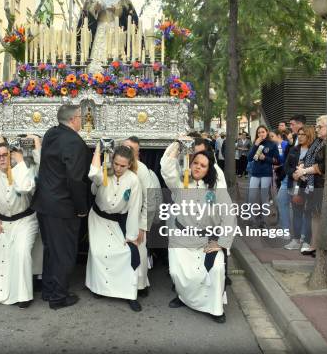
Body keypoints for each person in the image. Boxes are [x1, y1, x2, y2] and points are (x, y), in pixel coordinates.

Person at [161, 146, 236, 323]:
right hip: (181, 238)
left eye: (203, 165)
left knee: (216, 270)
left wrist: (222, 242)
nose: (198, 167)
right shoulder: (180, 184)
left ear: (209, 169)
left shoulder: (216, 188)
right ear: (190, 163)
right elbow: (167, 169)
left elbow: (229, 215)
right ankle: (183, 298)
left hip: (207, 240)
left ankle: (215, 308)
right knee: (177, 273)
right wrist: (178, 145)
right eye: (195, 163)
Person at [32, 104, 91, 310]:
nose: (82, 120)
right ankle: (58, 297)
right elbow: (75, 180)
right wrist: (82, 207)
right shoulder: (75, 142)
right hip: (62, 206)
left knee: (51, 250)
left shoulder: (50, 134)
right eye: (81, 117)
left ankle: (49, 290)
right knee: (64, 252)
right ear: (74, 118)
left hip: (44, 203)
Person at [0, 142, 37, 308]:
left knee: (21, 252)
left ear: (11, 156)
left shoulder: (24, 170)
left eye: (5, 155)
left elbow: (25, 187)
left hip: (25, 221)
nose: (2, 159)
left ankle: (23, 295)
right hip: (2, 221)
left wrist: (19, 163)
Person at [86, 144, 143, 312]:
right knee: (98, 253)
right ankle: (99, 288)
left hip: (119, 221)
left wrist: (131, 235)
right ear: (112, 160)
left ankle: (129, 293)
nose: (118, 168)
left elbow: (134, 208)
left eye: (123, 165)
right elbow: (93, 174)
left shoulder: (133, 180)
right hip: (99, 219)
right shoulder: (103, 172)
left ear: (130, 164)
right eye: (116, 164)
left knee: (126, 253)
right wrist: (98, 150)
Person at [79, 0, 138, 74]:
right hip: (101, 27)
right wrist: (96, 8)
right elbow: (89, 13)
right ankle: (96, 75)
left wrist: (116, 9)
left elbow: (125, 13)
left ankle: (115, 72)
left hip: (114, 27)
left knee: (115, 51)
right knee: (98, 53)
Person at [122, 136, 155, 298]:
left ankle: (141, 285)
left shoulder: (141, 169)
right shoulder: (116, 166)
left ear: (137, 153)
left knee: (139, 250)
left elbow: (149, 200)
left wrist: (143, 226)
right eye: (125, 148)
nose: (127, 152)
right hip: (119, 218)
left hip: (137, 219)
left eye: (131, 150)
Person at [293, 115, 327, 256]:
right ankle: (313, 245)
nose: (317, 129)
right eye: (316, 126)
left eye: (320, 127)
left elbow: (323, 167)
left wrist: (304, 170)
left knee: (322, 215)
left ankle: (320, 247)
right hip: (313, 184)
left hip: (322, 184)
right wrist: (301, 168)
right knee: (315, 214)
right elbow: (308, 158)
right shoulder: (318, 141)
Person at [283, 126, 316, 251]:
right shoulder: (294, 149)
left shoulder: (314, 151)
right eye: (299, 134)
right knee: (296, 212)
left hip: (308, 185)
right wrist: (293, 174)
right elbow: (286, 166)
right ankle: (296, 239)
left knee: (308, 213)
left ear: (310, 136)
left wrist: (303, 173)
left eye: (304, 134)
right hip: (295, 184)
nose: (300, 136)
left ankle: (307, 241)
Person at [247, 126, 279, 228]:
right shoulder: (256, 143)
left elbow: (276, 160)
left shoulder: (272, 144)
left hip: (266, 173)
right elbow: (249, 158)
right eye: (259, 132)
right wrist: (255, 145)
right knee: (252, 196)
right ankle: (252, 219)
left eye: (263, 132)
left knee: (263, 197)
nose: (261, 134)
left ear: (267, 132)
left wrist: (265, 158)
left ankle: (264, 220)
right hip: (255, 173)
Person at [269, 129, 290, 236]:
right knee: (278, 198)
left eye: (272, 136)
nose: (270, 139)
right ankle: (281, 223)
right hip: (277, 173)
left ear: (278, 136)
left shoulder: (285, 144)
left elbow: (286, 160)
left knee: (282, 200)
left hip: (284, 174)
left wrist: (279, 165)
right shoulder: (273, 146)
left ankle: (285, 226)